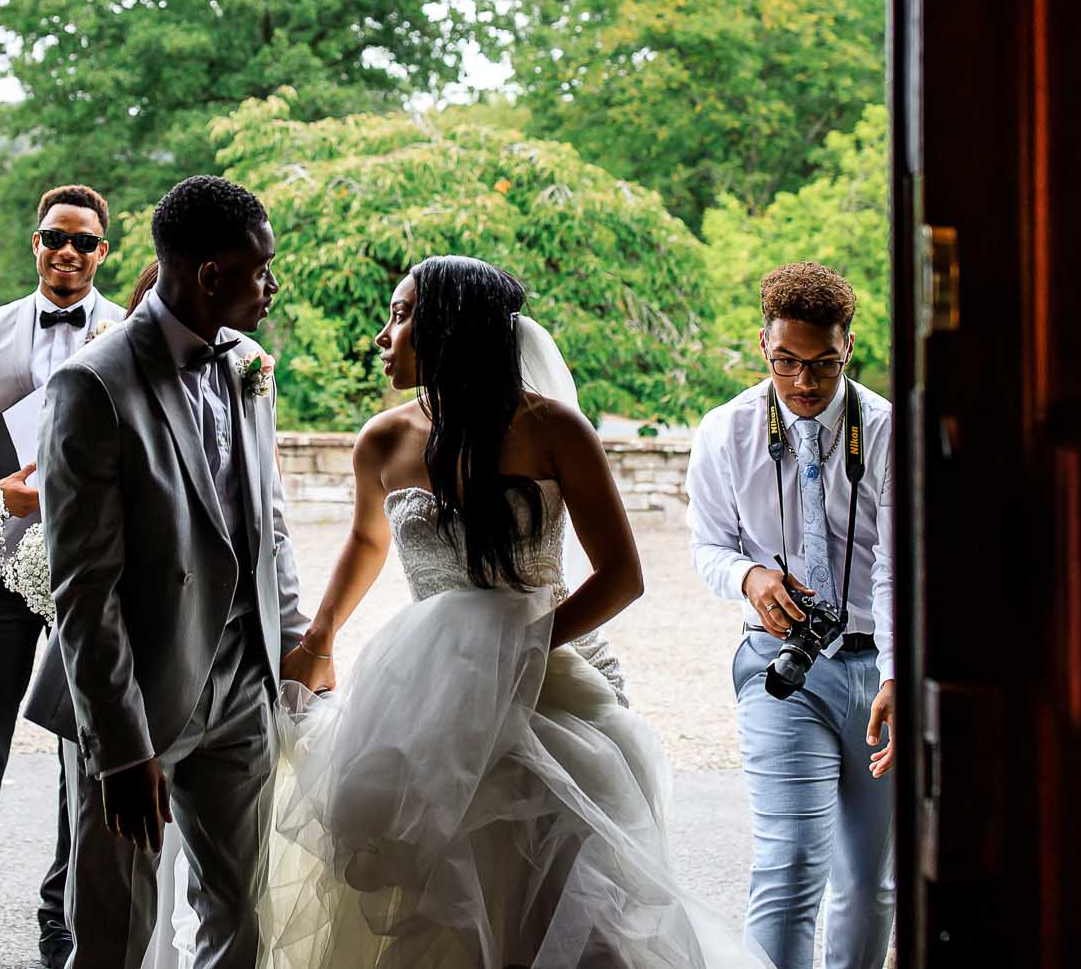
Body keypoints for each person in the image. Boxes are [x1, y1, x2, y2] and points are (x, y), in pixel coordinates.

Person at [271, 255, 757, 969]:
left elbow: (622, 575)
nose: (383, 335)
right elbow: (366, 540)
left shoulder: (554, 428)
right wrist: (320, 636)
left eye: (402, 315)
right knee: (427, 893)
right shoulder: (382, 438)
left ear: (451, 329)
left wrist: (519, 647)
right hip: (422, 697)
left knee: (559, 892)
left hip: (546, 688)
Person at [30, 176, 308, 969]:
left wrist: (290, 648)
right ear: (211, 275)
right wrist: (118, 746)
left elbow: (269, 523)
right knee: (114, 935)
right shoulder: (93, 383)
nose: (272, 285)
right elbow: (84, 586)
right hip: (135, 699)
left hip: (240, 692)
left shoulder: (253, 366)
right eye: (262, 268)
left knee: (243, 919)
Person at [686, 262, 897, 969]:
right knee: (791, 862)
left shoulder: (890, 432)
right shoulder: (725, 431)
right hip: (783, 669)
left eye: (823, 365)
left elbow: (901, 566)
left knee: (871, 886)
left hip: (879, 668)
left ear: (849, 347)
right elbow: (707, 545)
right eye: (786, 362)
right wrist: (749, 576)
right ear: (763, 344)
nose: (804, 383)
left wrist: (897, 672)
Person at [0, 185, 126, 967]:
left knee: (84, 752)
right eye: (56, 237)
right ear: (36, 242)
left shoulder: (127, 331)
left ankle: (63, 907)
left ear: (102, 252)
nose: (69, 252)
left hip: (93, 573)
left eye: (84, 242)